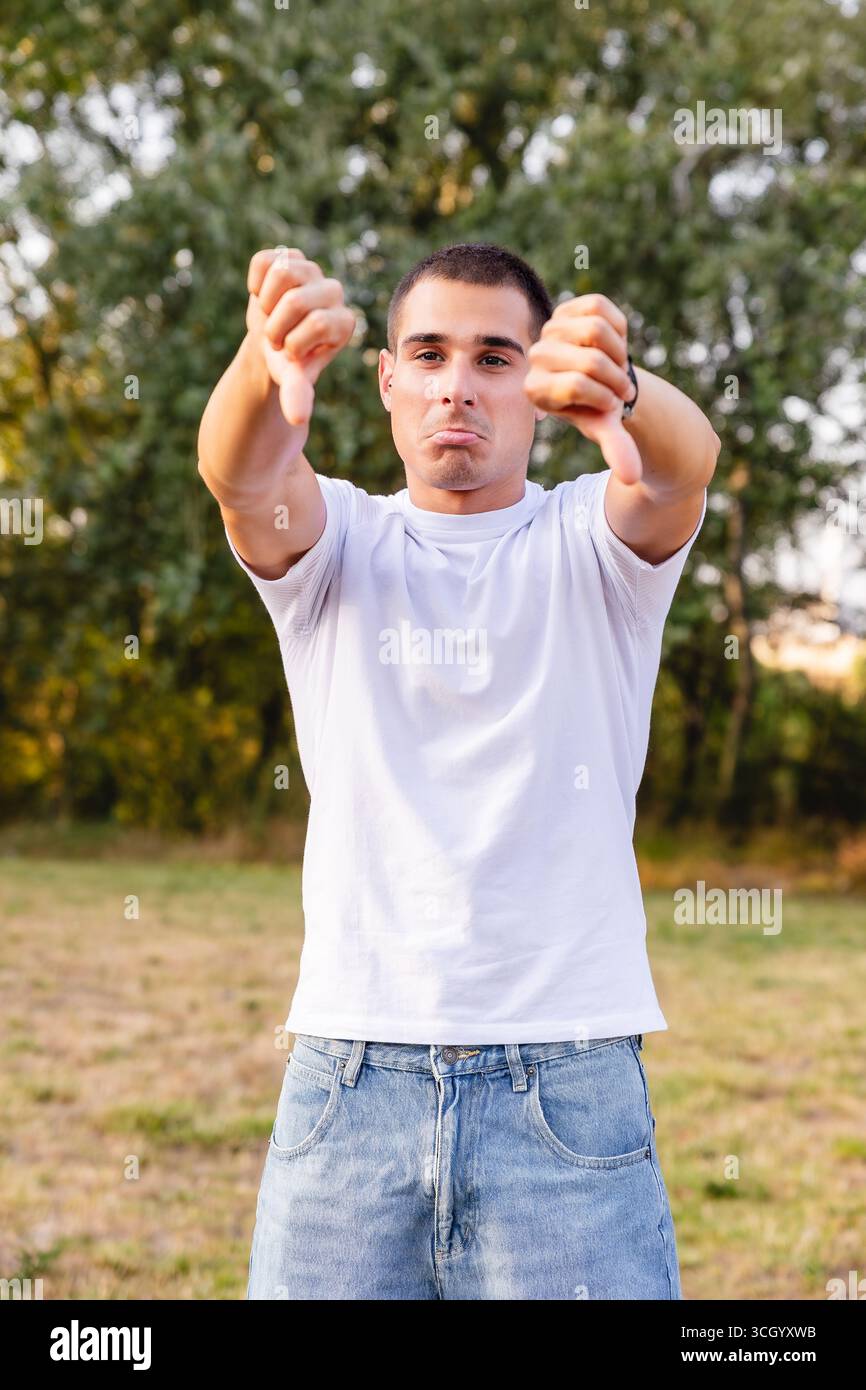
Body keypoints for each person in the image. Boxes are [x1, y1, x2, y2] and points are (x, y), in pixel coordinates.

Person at [197, 241, 720, 1300]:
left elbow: (679, 467)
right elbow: (241, 477)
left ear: (535, 383)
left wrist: (622, 384)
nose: (456, 386)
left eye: (494, 357)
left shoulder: (592, 542)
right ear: (385, 379)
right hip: (350, 1082)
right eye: (427, 354)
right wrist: (262, 368)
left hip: (563, 1087)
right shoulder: (340, 543)